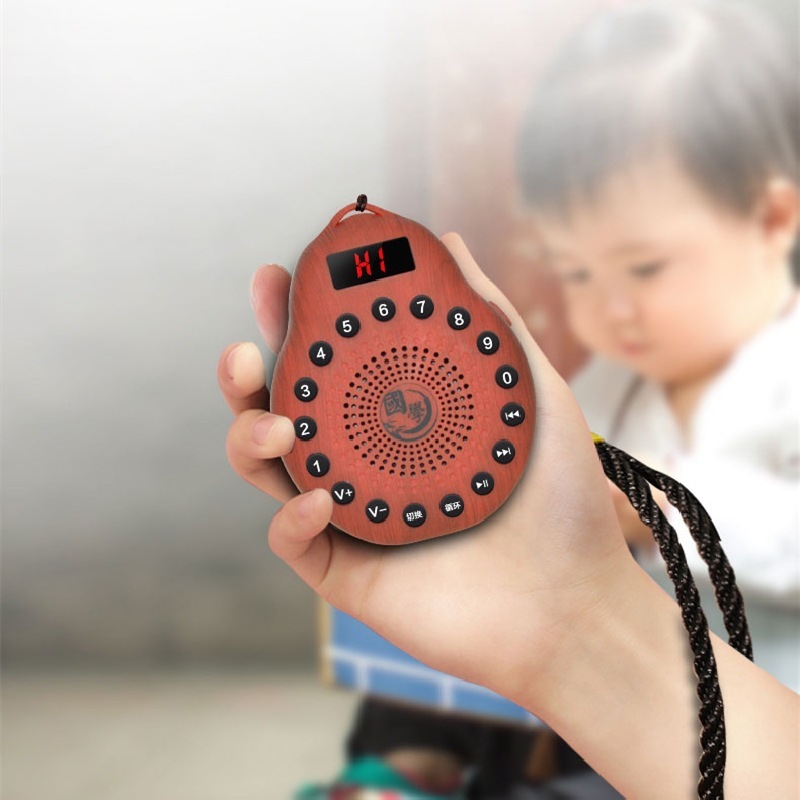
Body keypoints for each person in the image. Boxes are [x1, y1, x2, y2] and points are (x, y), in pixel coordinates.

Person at [218, 1, 799, 797]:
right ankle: (404, 769)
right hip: (607, 686)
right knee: (440, 605)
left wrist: (655, 502)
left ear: (774, 217)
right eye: (578, 272)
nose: (609, 308)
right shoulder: (611, 383)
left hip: (757, 704)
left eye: (643, 268)